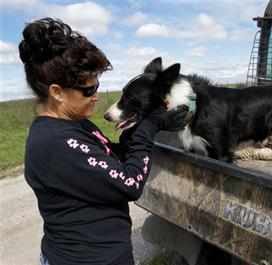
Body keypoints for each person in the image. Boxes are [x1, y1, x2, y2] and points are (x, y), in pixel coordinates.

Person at [19, 17, 188, 265]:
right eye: (89, 90)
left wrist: (142, 120)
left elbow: (113, 158)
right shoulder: (58, 144)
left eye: (97, 85)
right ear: (56, 92)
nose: (97, 96)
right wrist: (150, 127)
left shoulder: (73, 124)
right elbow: (130, 182)